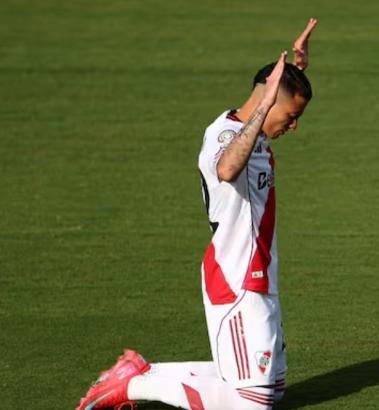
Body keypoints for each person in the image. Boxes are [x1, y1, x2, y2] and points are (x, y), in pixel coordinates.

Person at [76, 17, 317, 410]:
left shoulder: (255, 129)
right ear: (267, 102)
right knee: (253, 403)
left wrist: (296, 70)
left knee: (271, 388)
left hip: (258, 274)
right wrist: (267, 105)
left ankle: (139, 371)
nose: (293, 126)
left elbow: (269, 100)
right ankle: (131, 387)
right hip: (236, 278)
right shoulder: (225, 134)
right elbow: (227, 168)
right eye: (290, 116)